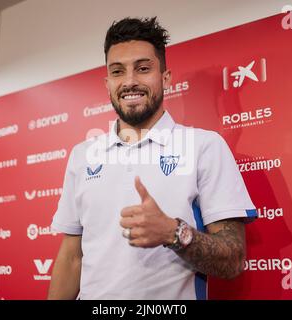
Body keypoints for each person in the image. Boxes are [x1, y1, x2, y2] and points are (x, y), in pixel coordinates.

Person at [48, 17, 257, 300]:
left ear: (165, 77)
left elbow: (232, 259)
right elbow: (72, 258)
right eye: (118, 71)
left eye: (143, 69)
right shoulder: (82, 155)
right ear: (107, 82)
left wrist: (174, 232)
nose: (130, 81)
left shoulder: (204, 146)